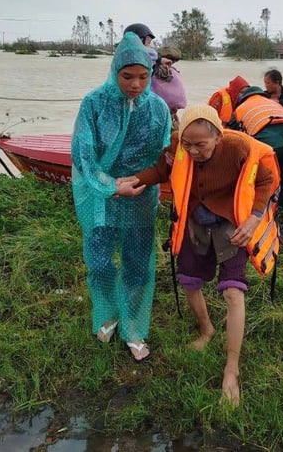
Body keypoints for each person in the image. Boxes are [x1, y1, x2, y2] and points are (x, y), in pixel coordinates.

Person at [135, 104, 280, 406]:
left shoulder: (236, 148)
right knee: (190, 281)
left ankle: (232, 368)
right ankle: (207, 329)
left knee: (233, 293)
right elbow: (162, 171)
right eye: (188, 144)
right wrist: (133, 182)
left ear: (218, 136)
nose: (193, 151)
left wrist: (254, 219)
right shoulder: (178, 145)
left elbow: (266, 181)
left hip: (232, 225)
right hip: (195, 224)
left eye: (200, 145)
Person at [71, 31, 172, 362]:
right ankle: (106, 314)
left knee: (138, 264)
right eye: (127, 76)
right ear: (115, 72)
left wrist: (146, 179)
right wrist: (111, 186)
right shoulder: (94, 104)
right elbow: (83, 155)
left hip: (141, 196)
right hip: (100, 197)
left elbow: (164, 156)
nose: (135, 84)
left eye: (143, 76)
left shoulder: (157, 108)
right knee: (99, 262)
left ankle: (134, 327)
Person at [231, 86, 283, 206]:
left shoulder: (240, 109)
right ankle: (282, 209)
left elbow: (234, 138)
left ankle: (265, 210)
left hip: (268, 145)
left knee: (263, 181)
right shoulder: (275, 104)